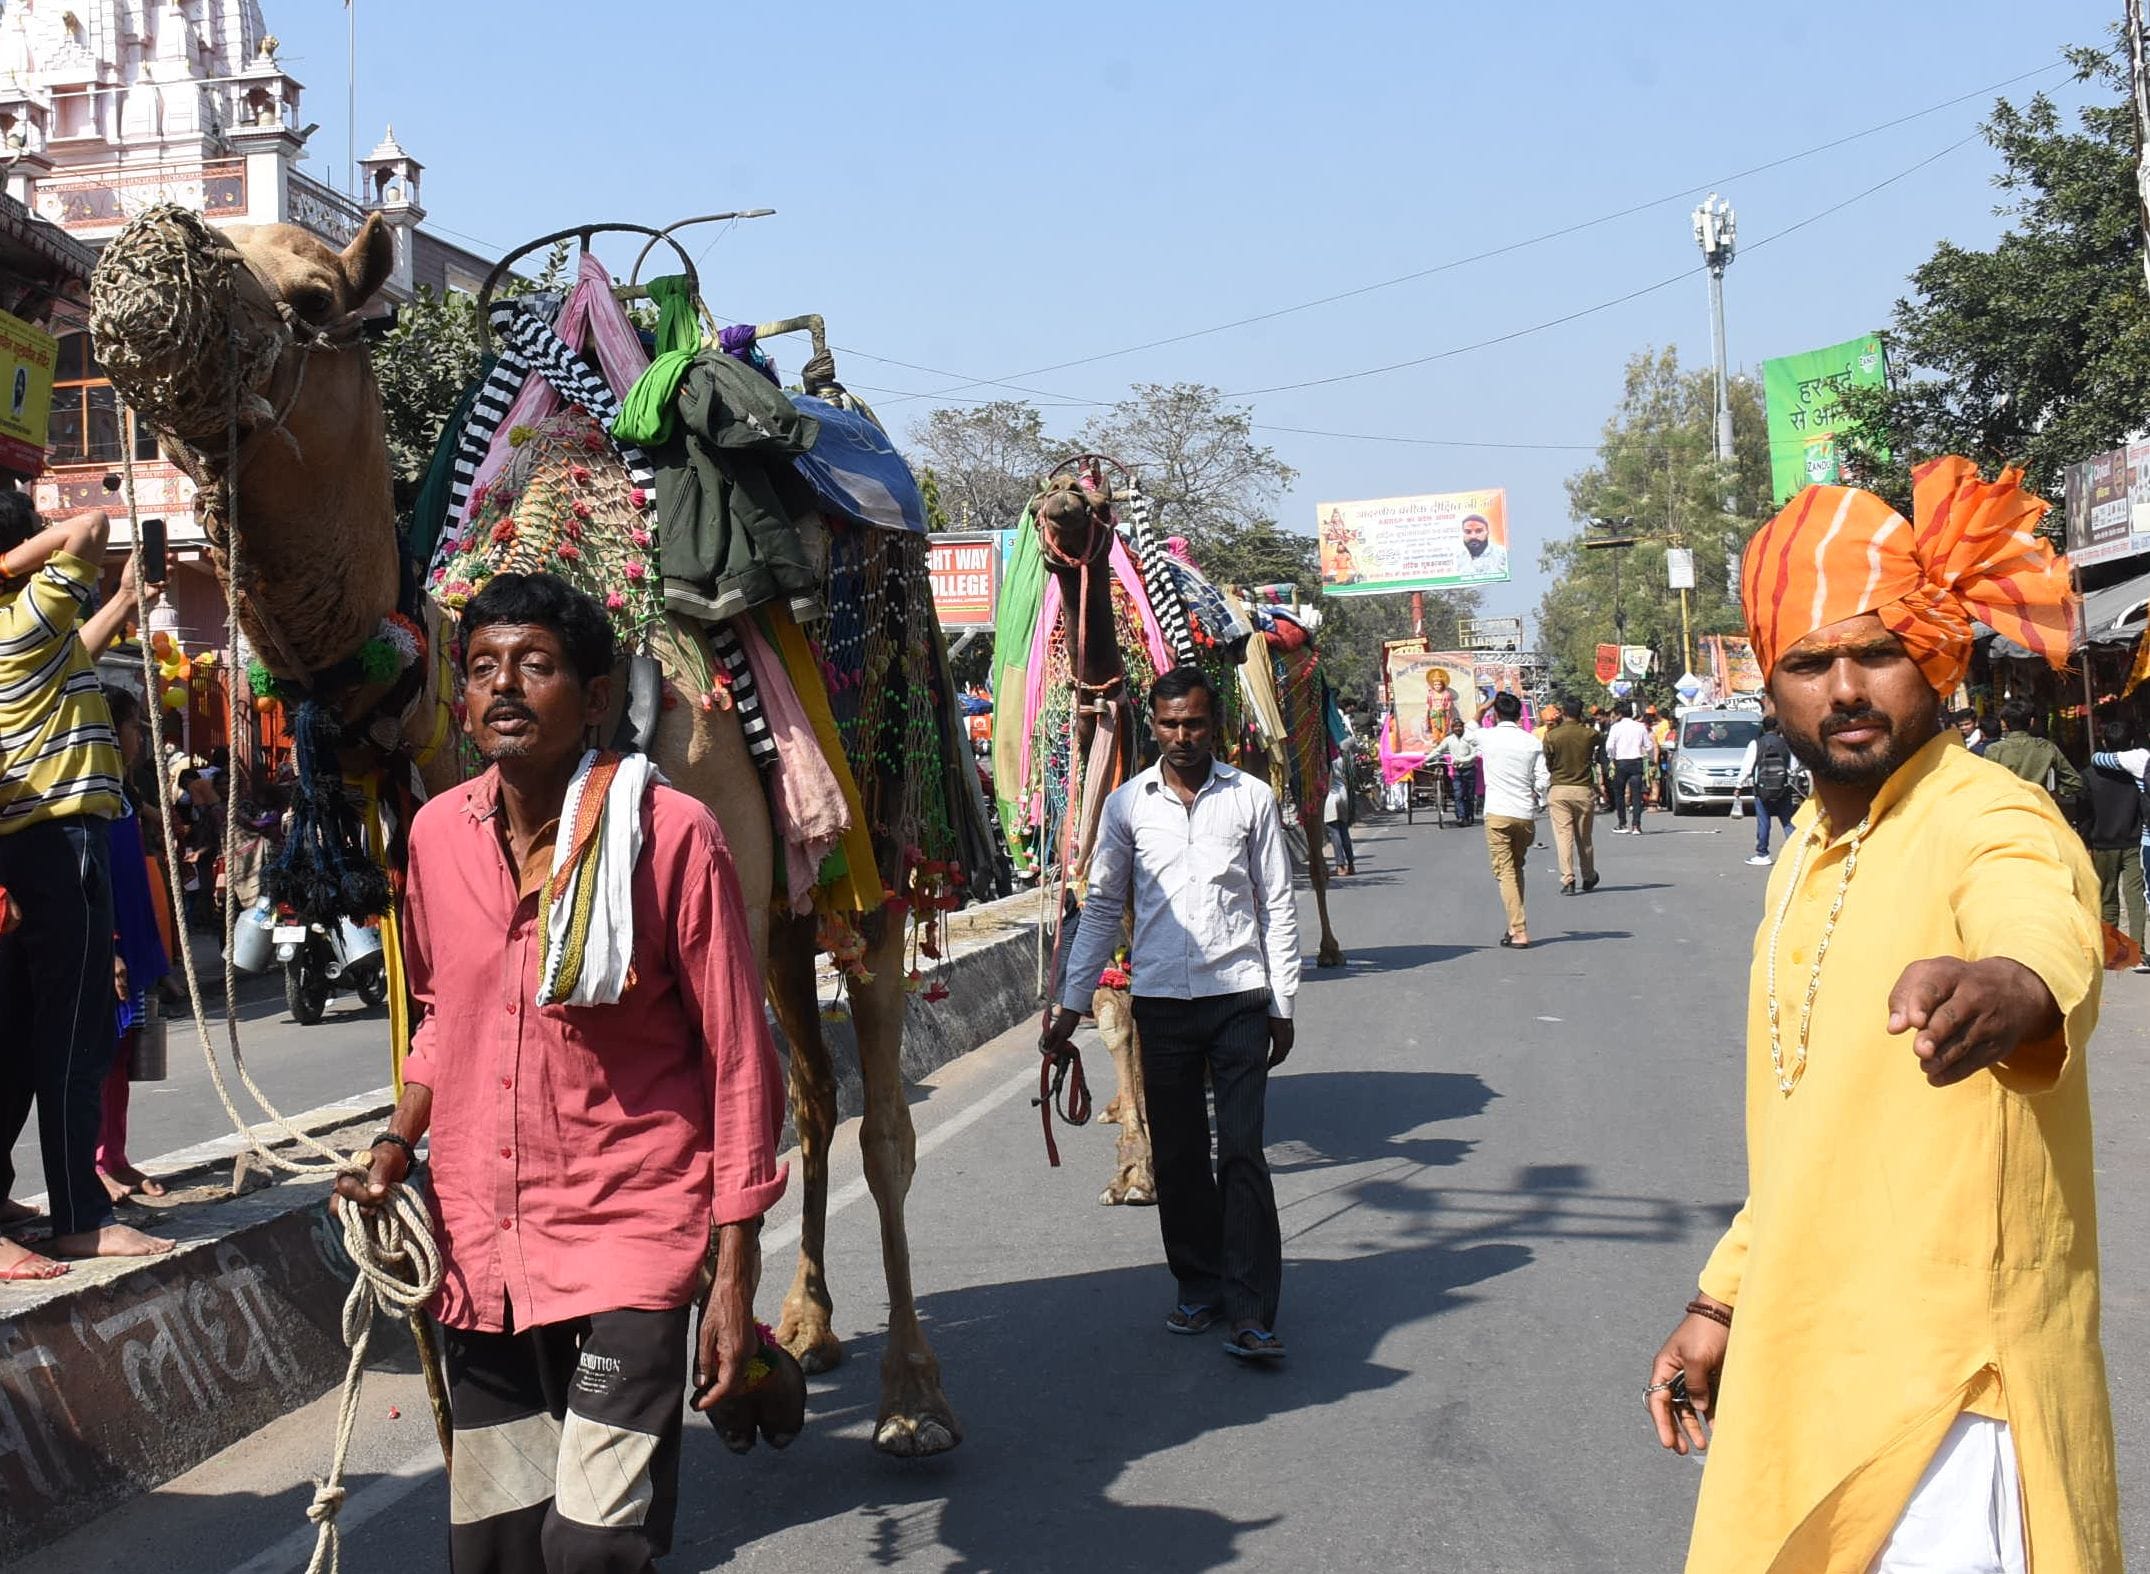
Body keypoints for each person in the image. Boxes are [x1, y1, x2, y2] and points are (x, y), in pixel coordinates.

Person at [1645, 458, 2118, 1572]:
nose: (1843, 688)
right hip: (1807, 1364)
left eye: (1876, 651)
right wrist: (1718, 1299)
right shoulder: (1805, 848)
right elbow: (1809, 1129)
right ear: (1770, 689)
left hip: (1950, 1399)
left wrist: (2010, 984)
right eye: (1808, 662)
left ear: (1936, 658)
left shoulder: (1984, 809)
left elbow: (2036, 913)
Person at [334, 573, 788, 1572]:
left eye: (534, 665)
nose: (502, 687)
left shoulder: (671, 837)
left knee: (589, 1547)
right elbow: (446, 1018)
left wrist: (733, 1269)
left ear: (592, 697)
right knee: (495, 1550)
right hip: (480, 1244)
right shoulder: (434, 836)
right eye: (484, 666)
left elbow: (739, 1056)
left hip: (631, 1230)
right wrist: (396, 1139)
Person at [1042, 665, 1301, 1362]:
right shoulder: (1128, 807)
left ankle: (1251, 1311)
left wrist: (1282, 1002)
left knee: (1242, 1154)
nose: (1182, 736)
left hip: (1239, 999)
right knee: (1181, 1156)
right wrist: (1071, 1003)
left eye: (1193, 723)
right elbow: (1100, 908)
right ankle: (1199, 1286)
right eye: (1169, 724)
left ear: (1212, 725)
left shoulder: (1250, 798)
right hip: (1160, 1003)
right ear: (1151, 726)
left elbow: (1276, 901)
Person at [0, 497, 172, 1275]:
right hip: (60, 838)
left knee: (32, 1035)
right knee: (75, 1035)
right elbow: (94, 522)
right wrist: (16, 556)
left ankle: (43, 1195)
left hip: (54, 843)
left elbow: (72, 647)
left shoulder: (29, 632)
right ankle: (79, 1213)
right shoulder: (19, 614)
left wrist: (128, 600)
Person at [97, 686, 172, 1202]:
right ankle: (95, 1162)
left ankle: (116, 1157)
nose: (140, 736)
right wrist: (110, 948)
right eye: (134, 726)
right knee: (100, 1056)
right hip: (112, 936)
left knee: (125, 1055)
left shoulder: (124, 789)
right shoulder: (93, 794)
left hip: (139, 934)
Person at [1476, 691, 1548, 946]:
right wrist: (1537, 797)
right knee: (1516, 868)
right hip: (1524, 815)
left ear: (1495, 714)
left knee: (1505, 872)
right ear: (1520, 715)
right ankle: (1513, 924)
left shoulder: (1487, 737)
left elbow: (1472, 723)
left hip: (1497, 814)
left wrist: (1484, 706)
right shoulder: (1531, 742)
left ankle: (1519, 930)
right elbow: (1543, 780)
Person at [2084, 720, 2147, 972]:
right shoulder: (2137, 771)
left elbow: (2085, 811)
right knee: (2135, 897)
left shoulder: (2090, 773)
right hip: (2133, 841)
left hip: (2102, 843)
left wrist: (2086, 840)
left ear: (2103, 742)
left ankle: (2111, 952)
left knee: (2107, 897)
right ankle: (2138, 951)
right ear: (2131, 743)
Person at [1538, 697, 1600, 896]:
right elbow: (1601, 743)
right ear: (1581, 713)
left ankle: (1568, 879)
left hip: (1559, 790)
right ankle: (1589, 875)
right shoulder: (1589, 734)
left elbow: (1548, 762)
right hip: (1583, 789)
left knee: (1563, 837)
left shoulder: (1551, 736)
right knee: (1584, 837)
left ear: (1563, 713)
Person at [1983, 698, 2082, 812]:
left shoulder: (1994, 750)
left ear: (2004, 723)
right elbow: (2075, 781)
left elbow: (1989, 786)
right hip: (2040, 809)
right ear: (2032, 722)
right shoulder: (2046, 747)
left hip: (2009, 811)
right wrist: (2055, 793)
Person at [1735, 714, 1801, 866]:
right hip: (1783, 789)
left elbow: (1747, 767)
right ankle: (1796, 853)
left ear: (1763, 728)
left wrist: (1739, 786)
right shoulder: (1786, 744)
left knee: (1763, 822)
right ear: (1778, 728)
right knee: (1787, 822)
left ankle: (1762, 854)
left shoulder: (1756, 744)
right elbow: (1794, 767)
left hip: (1762, 790)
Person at [1604, 700, 1651, 833]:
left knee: (1619, 793)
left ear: (1619, 713)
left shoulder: (1615, 727)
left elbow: (1609, 746)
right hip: (1636, 761)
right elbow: (1649, 745)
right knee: (1636, 794)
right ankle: (1636, 825)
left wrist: (1611, 757)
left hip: (1621, 762)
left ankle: (1622, 823)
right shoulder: (1640, 726)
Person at [1428, 713, 1480, 827]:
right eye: (1455, 726)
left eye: (1459, 726)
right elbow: (1438, 750)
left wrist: (1463, 760)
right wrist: (1426, 759)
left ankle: (1468, 815)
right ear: (1452, 728)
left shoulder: (1470, 738)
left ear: (1463, 727)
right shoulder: (1449, 740)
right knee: (1458, 794)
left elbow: (1475, 753)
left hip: (1469, 769)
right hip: (1457, 771)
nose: (1457, 728)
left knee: (1469, 796)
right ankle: (1461, 817)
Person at [1322, 762, 1355, 877]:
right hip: (1343, 793)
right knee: (1344, 831)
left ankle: (1340, 866)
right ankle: (1351, 865)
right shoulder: (1343, 758)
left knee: (1335, 832)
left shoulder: (1326, 757)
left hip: (1331, 795)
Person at [1457, 512, 1508, 578]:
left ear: (1487, 532)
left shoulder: (1503, 555)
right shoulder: (1458, 557)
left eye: (1479, 531)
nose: (1473, 536)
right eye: (1468, 532)